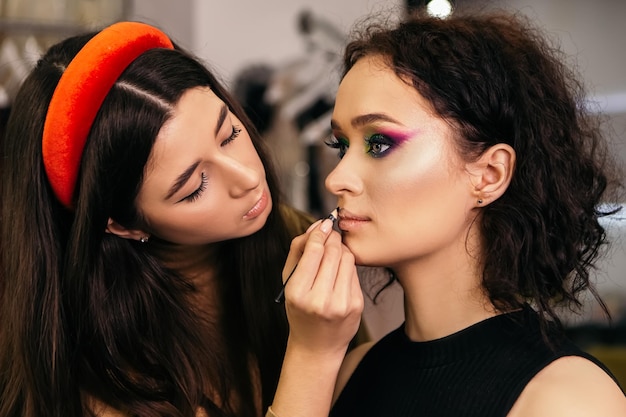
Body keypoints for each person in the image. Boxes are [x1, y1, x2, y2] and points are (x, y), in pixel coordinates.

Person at [0, 21, 363, 417]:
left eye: (229, 134)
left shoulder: (292, 235)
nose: (247, 178)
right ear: (122, 225)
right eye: (195, 187)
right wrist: (312, 355)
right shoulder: (91, 369)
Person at [316, 10, 626, 417]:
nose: (337, 179)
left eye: (379, 144)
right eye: (341, 145)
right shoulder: (349, 372)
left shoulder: (568, 399)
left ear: (489, 175)